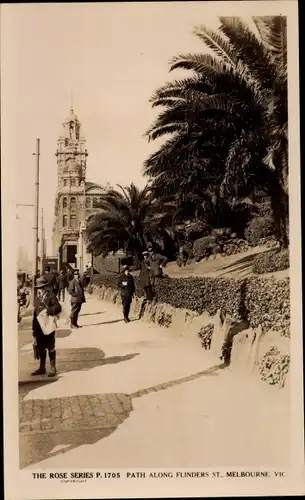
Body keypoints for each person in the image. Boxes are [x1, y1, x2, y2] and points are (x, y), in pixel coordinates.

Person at [31, 276, 62, 377]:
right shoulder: (37, 299)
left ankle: (53, 368)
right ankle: (42, 367)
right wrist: (34, 329)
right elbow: (35, 315)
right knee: (41, 348)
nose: (40, 290)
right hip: (39, 327)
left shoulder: (51, 296)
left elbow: (58, 307)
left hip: (48, 326)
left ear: (45, 287)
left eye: (41, 287)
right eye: (38, 288)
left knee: (50, 346)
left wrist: (49, 311)